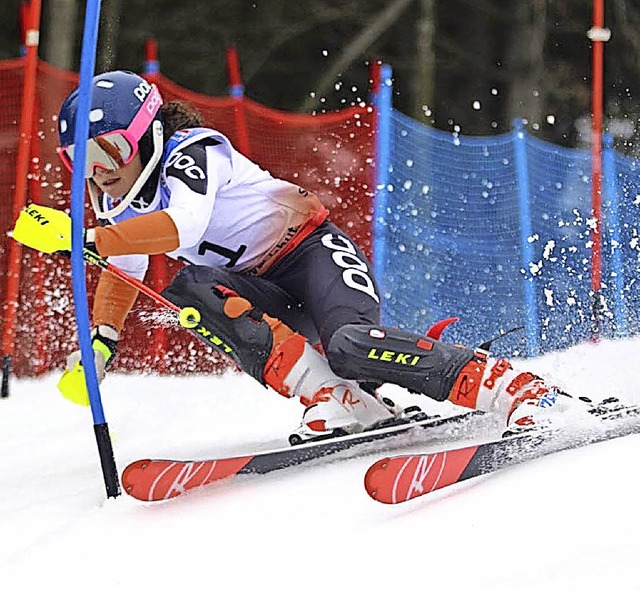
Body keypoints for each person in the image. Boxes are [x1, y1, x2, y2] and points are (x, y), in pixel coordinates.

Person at [51, 70, 582, 441]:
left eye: (108, 150)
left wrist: (83, 239)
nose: (97, 170)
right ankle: (342, 401)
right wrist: (102, 340)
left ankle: (511, 388)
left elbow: (179, 225)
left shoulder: (192, 149)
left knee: (350, 346)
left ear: (146, 134)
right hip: (259, 287)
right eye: (79, 160)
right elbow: (124, 269)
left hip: (311, 255)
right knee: (189, 293)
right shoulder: (116, 200)